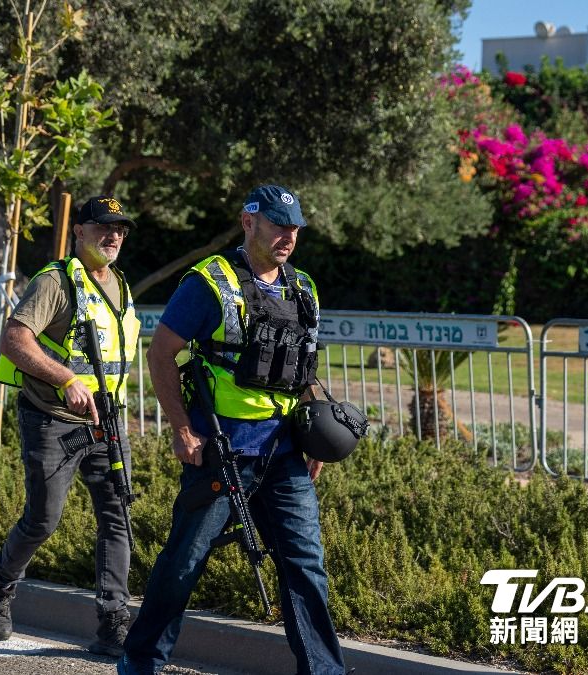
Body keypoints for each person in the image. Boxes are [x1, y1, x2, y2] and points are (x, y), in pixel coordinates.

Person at [119, 185, 346, 674]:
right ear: (249, 222)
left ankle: (324, 671)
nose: (289, 236)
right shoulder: (208, 282)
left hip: (285, 452)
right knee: (184, 562)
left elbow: (301, 368)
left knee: (306, 567)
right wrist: (182, 429)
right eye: (279, 224)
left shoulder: (303, 286)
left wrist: (317, 434)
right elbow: (161, 354)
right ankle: (140, 663)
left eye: (295, 228)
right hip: (222, 451)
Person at [0, 195, 142, 656]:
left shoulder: (122, 287)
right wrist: (66, 379)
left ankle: (114, 621)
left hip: (105, 423)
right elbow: (14, 340)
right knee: (43, 520)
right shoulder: (55, 282)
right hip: (52, 420)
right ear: (79, 232)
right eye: (103, 227)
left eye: (120, 229)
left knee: (117, 518)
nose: (113, 236)